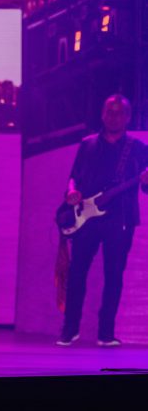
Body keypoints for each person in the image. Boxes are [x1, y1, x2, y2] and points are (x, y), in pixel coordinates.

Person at [57, 95, 148, 347]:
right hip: (87, 218)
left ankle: (105, 333)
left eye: (119, 113)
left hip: (121, 220)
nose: (114, 117)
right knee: (77, 273)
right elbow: (73, 177)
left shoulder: (138, 148)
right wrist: (72, 192)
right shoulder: (87, 145)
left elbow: (145, 187)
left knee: (114, 275)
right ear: (102, 114)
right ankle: (70, 329)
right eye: (110, 112)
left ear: (128, 117)